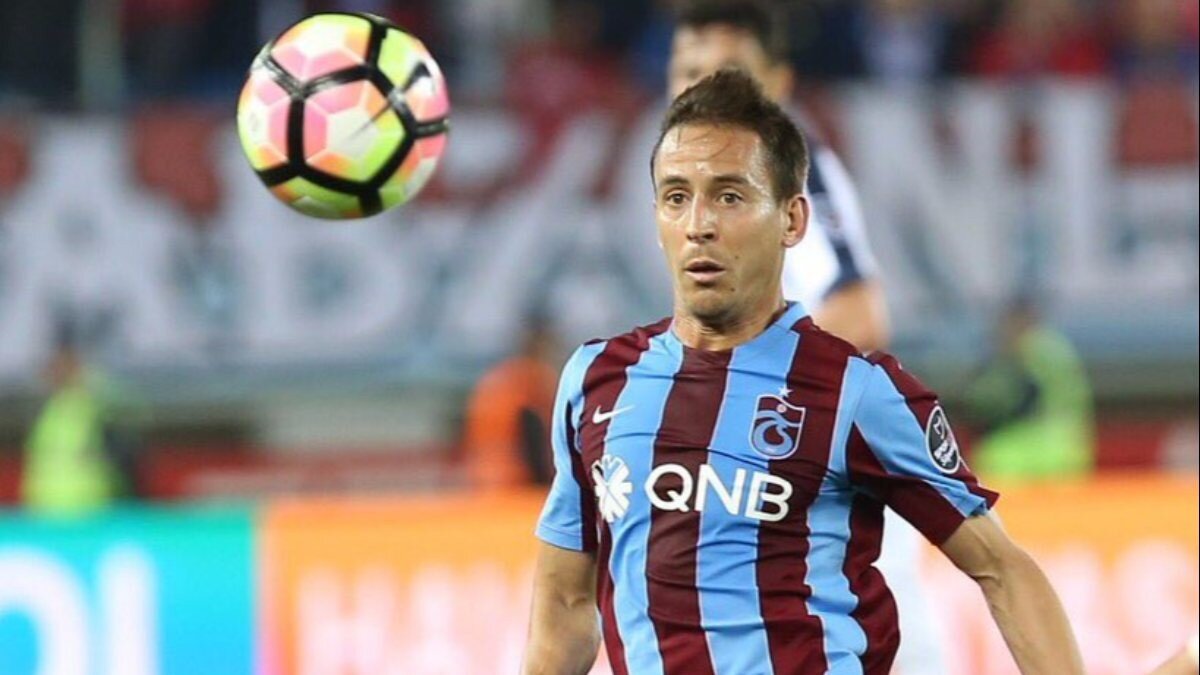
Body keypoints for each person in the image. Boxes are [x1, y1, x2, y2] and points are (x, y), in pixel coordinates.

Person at [522, 70, 1083, 674]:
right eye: (677, 197)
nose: (699, 225)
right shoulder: (596, 380)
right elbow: (567, 601)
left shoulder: (857, 392)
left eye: (730, 196)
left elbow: (1002, 568)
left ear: (792, 220)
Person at [665, 3, 942, 672]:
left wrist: (730, 396)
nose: (703, 88)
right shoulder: (701, 188)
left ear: (777, 83)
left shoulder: (790, 174)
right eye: (688, 70)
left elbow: (860, 313)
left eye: (727, 71)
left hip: (833, 486)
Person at [964, 298, 1094, 481]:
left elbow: (991, 398)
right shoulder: (1057, 348)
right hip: (1067, 446)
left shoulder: (1028, 351)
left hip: (1032, 451)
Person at [462, 319, 561, 490]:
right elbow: (532, 440)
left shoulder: (496, 378)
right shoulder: (532, 380)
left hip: (484, 481)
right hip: (519, 482)